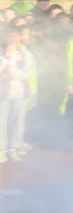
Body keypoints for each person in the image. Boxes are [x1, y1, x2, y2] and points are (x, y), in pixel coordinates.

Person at [1, 25, 35, 162]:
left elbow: (25, 73)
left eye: (16, 36)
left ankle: (14, 147)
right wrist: (7, 56)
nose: (13, 39)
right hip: (3, 94)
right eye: (10, 36)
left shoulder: (25, 54)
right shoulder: (2, 53)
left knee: (18, 122)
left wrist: (8, 74)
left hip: (20, 93)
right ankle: (1, 149)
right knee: (1, 122)